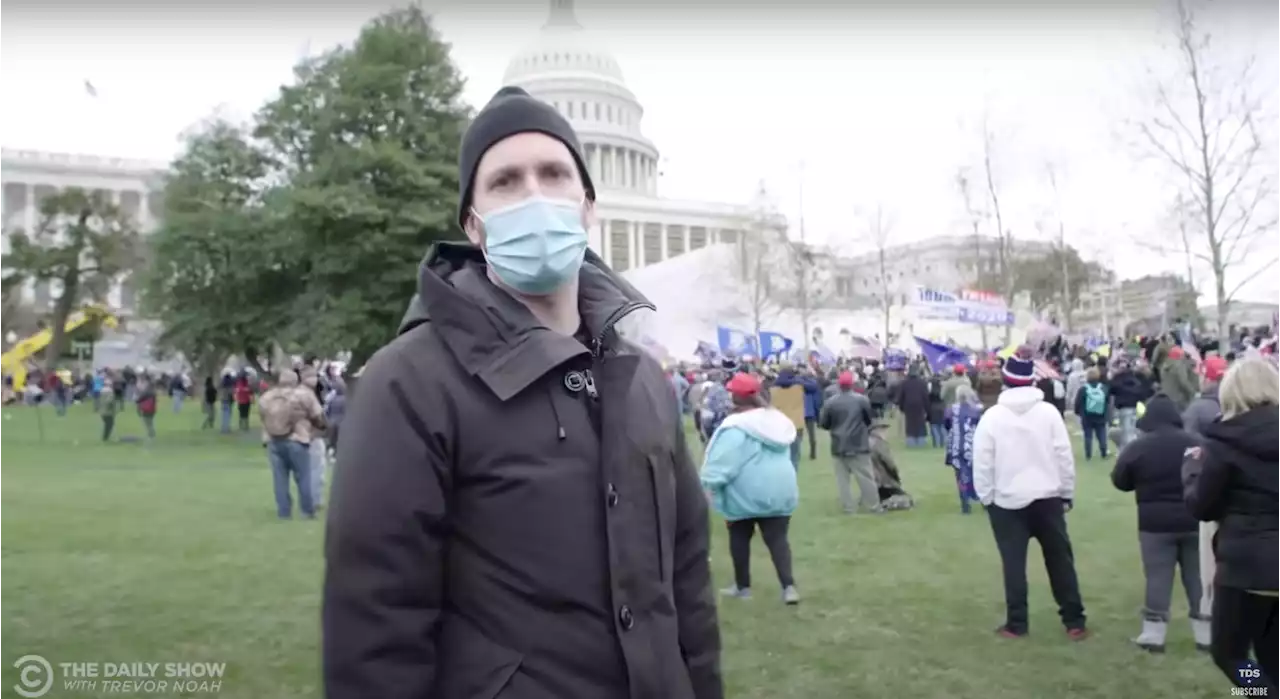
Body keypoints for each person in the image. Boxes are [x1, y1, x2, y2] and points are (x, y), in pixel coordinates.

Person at [323, 87, 721, 699]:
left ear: (587, 206)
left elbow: (686, 580)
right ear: (474, 224)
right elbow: (377, 622)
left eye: (554, 173)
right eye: (506, 181)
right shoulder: (408, 383)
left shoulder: (642, 377)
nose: (535, 194)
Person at [973, 347, 1087, 640]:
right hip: (1048, 496)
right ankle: (1074, 621)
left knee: (1013, 565)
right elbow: (1064, 456)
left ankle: (1017, 623)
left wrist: (986, 497)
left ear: (1006, 382)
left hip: (1007, 500)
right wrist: (1066, 492)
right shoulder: (1048, 413)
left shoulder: (992, 417)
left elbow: (982, 462)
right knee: (1060, 561)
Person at [1182, 358, 1280, 690]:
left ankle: (1264, 694)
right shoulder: (1223, 441)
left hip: (1246, 567)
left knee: (1230, 654)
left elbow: (1202, 506)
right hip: (1258, 560)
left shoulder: (1223, 443)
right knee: (1271, 654)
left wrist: (1192, 473)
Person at [1110, 394, 1207, 653]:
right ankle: (1206, 635)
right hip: (1194, 519)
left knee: (1157, 578)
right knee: (1197, 577)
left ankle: (1153, 636)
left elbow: (1120, 481)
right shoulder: (1196, 443)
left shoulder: (1139, 446)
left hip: (1154, 524)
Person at [700, 372, 800, 605]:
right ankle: (789, 587)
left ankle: (743, 587)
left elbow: (722, 463)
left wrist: (708, 484)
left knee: (739, 536)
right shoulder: (777, 421)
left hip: (744, 492)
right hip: (779, 489)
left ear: (734, 397)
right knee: (778, 540)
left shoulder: (736, 427)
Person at [259, 370, 325, 520]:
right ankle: (307, 512)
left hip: (273, 440)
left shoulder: (266, 397)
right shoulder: (303, 395)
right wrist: (318, 429)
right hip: (298, 439)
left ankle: (284, 512)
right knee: (303, 477)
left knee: (280, 479)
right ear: (296, 381)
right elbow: (318, 416)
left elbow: (263, 417)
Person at [818, 371, 877, 514]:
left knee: (842, 480)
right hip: (859, 443)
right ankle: (873, 505)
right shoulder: (862, 400)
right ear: (852, 384)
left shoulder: (830, 402)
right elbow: (869, 420)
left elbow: (824, 424)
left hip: (838, 444)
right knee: (866, 477)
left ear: (839, 384)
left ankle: (848, 507)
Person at [944, 384, 983, 514]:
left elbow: (947, 425)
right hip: (973, 447)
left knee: (959, 475)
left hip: (956, 446)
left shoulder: (951, 409)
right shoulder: (976, 410)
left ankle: (965, 505)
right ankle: (982, 500)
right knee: (978, 476)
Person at [1183, 355, 1227, 439]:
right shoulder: (1237, 402)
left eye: (1200, 376)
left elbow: (1188, 441)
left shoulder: (1196, 409)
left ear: (1207, 379)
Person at [1074, 368, 1110, 461]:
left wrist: (1078, 412)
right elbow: (1107, 401)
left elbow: (1078, 402)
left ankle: (1088, 454)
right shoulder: (1103, 388)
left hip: (1087, 416)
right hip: (1100, 415)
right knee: (1102, 434)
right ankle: (1104, 451)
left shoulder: (1083, 389)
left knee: (1088, 435)